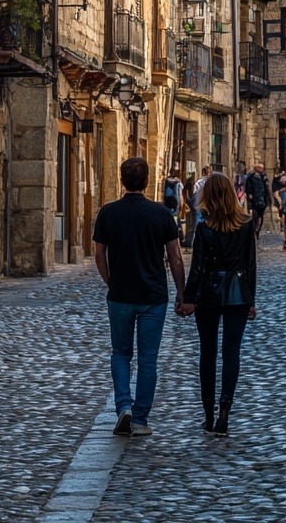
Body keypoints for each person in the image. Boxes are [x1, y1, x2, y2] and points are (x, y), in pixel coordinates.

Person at [94, 157, 187, 438]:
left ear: (122, 180)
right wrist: (182, 294)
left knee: (120, 353)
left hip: (120, 295)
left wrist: (112, 282)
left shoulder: (107, 213)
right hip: (153, 296)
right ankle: (141, 418)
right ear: (147, 181)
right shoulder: (161, 214)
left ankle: (123, 405)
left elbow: (100, 256)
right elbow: (175, 258)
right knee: (148, 359)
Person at [178, 172, 257, 438]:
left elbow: (197, 268)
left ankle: (209, 414)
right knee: (231, 352)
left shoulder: (205, 227)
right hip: (237, 292)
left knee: (208, 353)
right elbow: (250, 267)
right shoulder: (246, 224)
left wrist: (189, 298)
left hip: (210, 293)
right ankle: (225, 411)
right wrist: (251, 300)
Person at [243, 163, 269, 238]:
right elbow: (248, 187)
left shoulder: (264, 177)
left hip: (262, 198)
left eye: (262, 168)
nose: (262, 169)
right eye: (260, 167)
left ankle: (257, 230)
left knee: (260, 215)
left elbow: (267, 188)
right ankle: (254, 229)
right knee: (254, 215)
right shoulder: (251, 177)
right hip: (254, 199)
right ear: (256, 168)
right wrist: (249, 194)